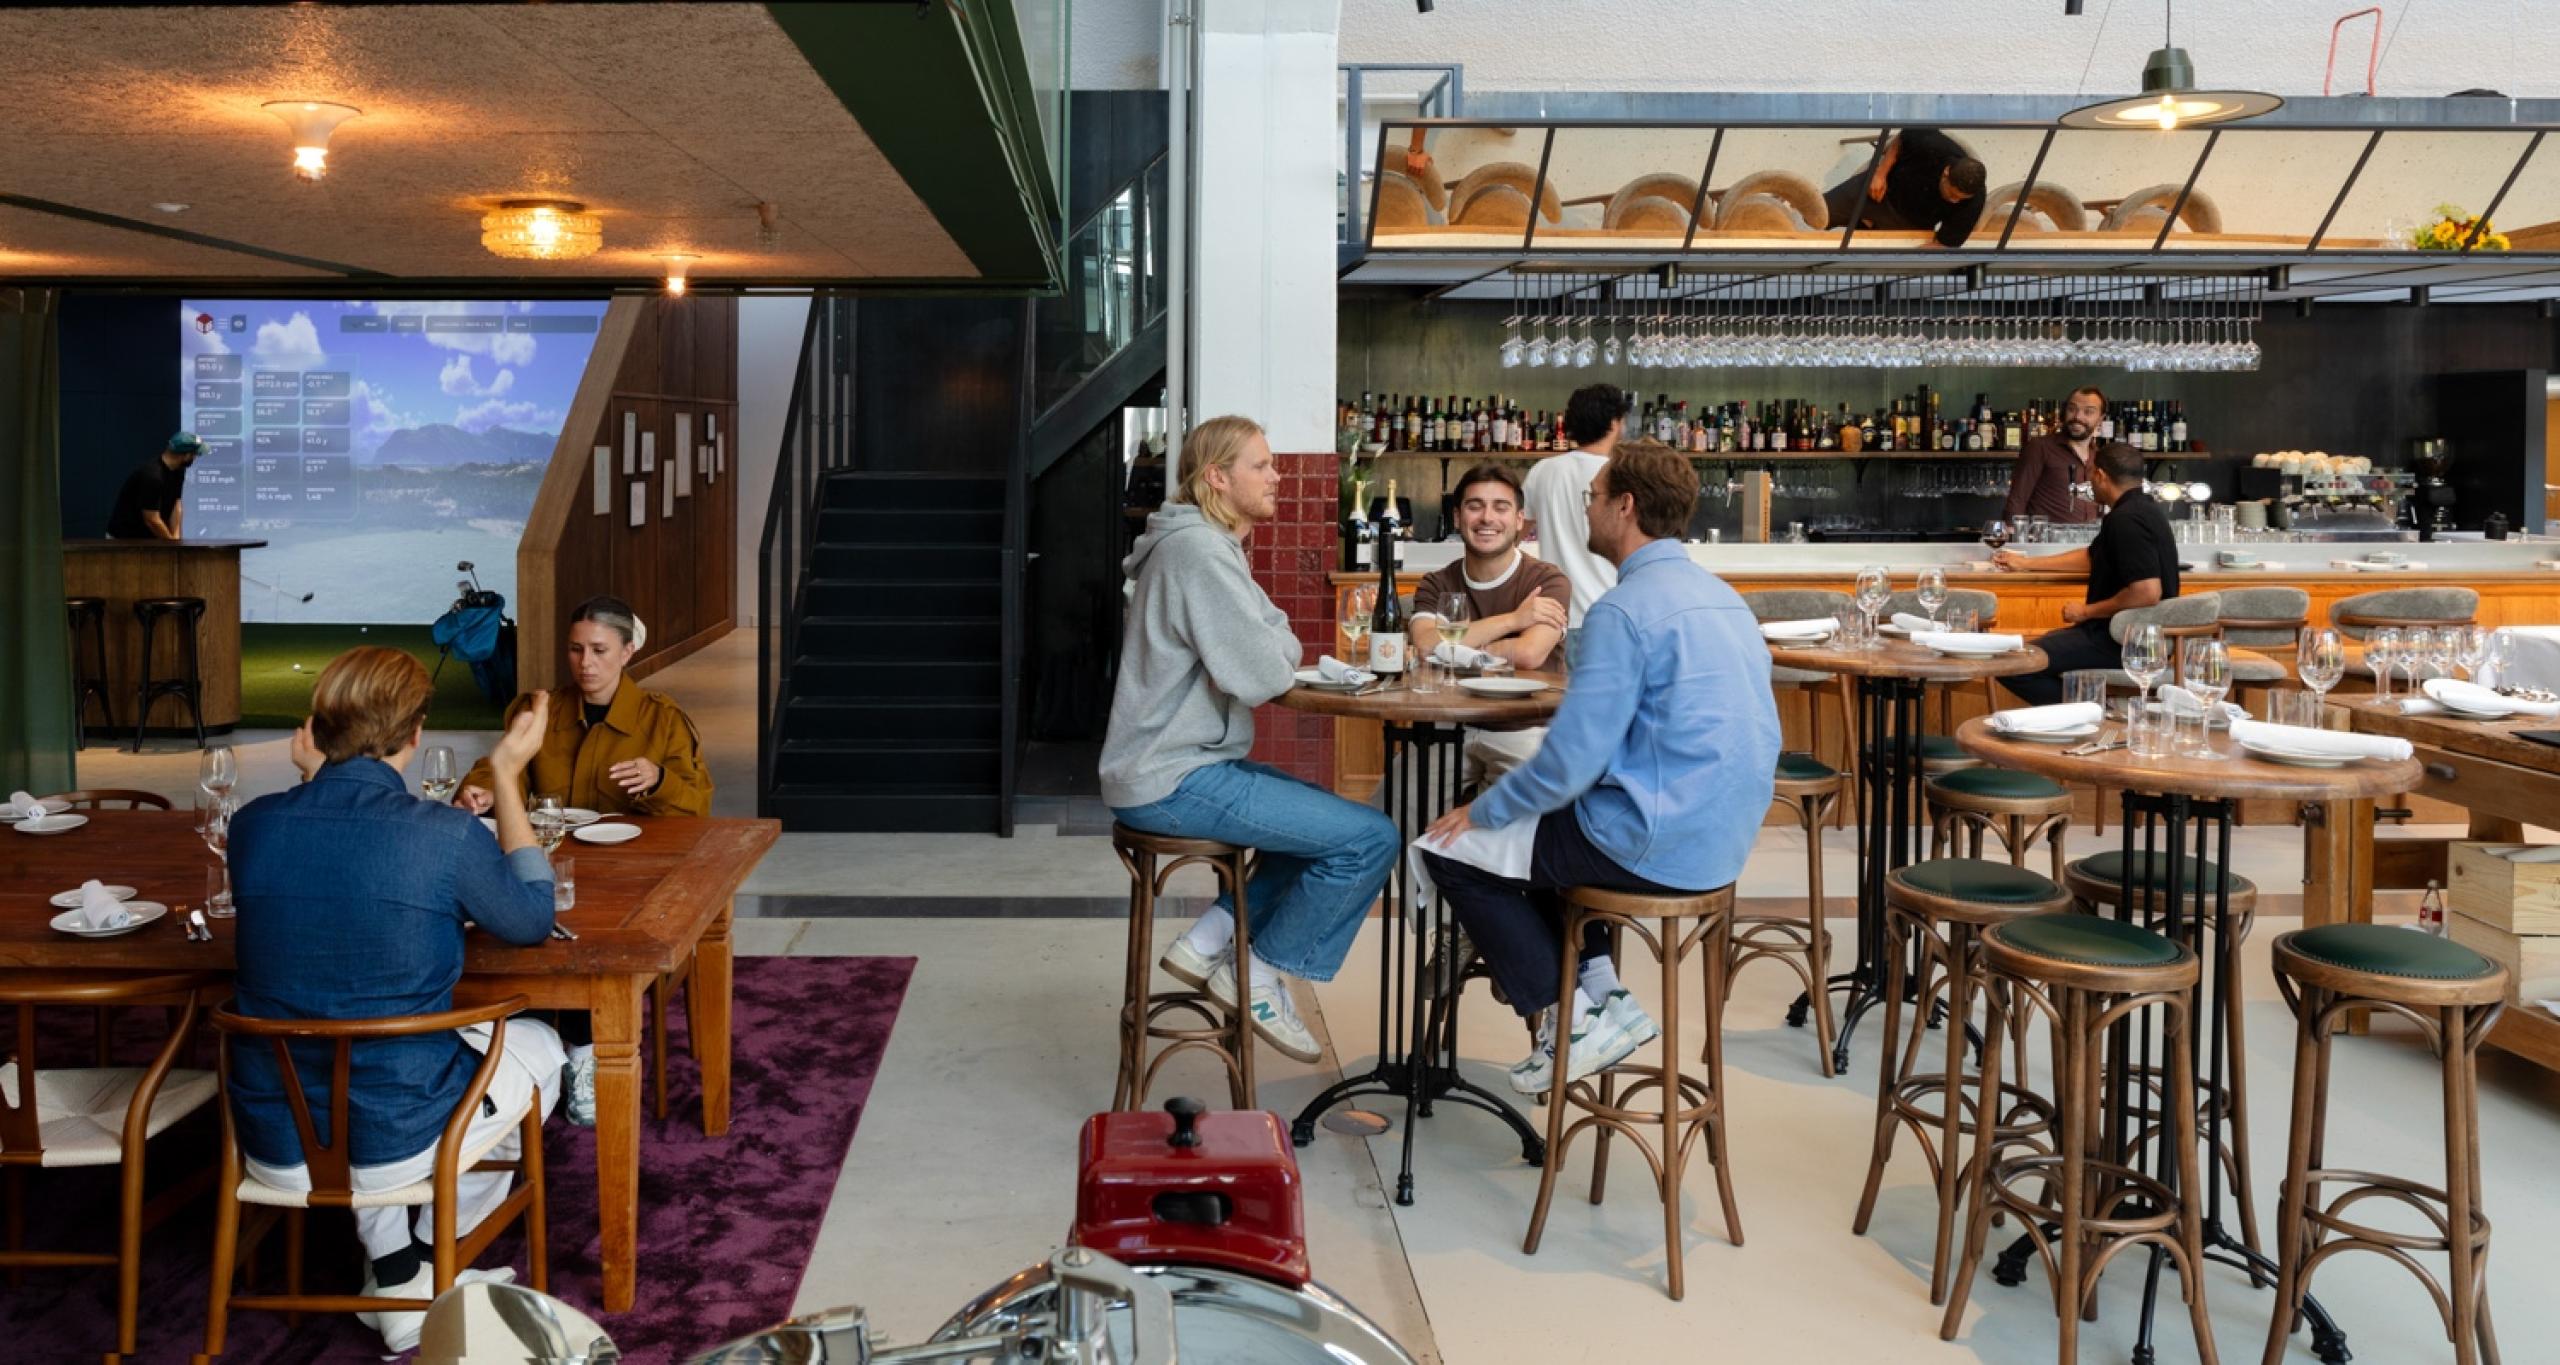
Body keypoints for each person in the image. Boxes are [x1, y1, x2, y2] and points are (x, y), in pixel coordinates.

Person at [226, 646, 561, 1354]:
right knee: (543, 1048)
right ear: (417, 735)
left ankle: (397, 1268)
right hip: (399, 1136)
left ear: (315, 729)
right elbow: (532, 918)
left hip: (272, 1138)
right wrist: (504, 770)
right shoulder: (443, 834)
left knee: (355, 1049)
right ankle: (431, 1272)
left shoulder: (252, 825)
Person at [1418, 443, 1781, 1094]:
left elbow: (1570, 761)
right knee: (1550, 837)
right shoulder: (1723, 597)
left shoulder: (1622, 609)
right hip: (1723, 843)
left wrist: (1483, 810)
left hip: (1650, 842)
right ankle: (1603, 994)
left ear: (1626, 506)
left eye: (1594, 495)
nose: (1585, 507)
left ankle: (1568, 1019)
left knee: (1451, 848)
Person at [1102, 415, 1400, 1064]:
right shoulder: (1201, 553)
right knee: (1371, 836)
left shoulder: (1205, 546)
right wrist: (1275, 638)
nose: (1278, 475)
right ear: (1218, 477)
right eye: (1262, 465)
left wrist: (1273, 636)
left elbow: (1273, 640)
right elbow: (1266, 669)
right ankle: (1259, 970)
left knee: (1324, 823)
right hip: (1172, 776)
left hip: (1176, 765)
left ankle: (1211, 937)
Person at [456, 595, 711, 819]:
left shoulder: (664, 720)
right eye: (576, 649)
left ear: (627, 652)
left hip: (634, 863)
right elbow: (502, 766)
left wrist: (659, 781)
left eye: (599, 650)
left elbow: (697, 809)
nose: (585, 662)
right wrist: (486, 791)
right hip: (551, 855)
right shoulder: (540, 711)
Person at [1414, 461, 1571, 784]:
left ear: (1518, 521)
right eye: (1475, 507)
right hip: (1450, 725)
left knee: (1507, 828)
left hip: (1525, 730)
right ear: (1458, 517)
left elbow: (1529, 654)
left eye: (1500, 507)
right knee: (1393, 816)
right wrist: (1515, 619)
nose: (1487, 518)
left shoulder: (1547, 580)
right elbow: (1426, 646)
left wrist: (1455, 653)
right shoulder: (1436, 582)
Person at [1994, 443, 2179, 707]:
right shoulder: (2142, 509)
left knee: (2010, 663)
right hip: (2130, 638)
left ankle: (2095, 715)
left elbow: (2147, 591)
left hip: (2120, 642)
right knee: (2023, 656)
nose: (2090, 482)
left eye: (2090, 474)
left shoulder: (2127, 519)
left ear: (2100, 475)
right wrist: (2026, 563)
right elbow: (2094, 558)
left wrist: (2086, 611)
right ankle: (2095, 712)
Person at [1520, 383, 1628, 640]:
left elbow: (1511, 536)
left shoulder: (1543, 471)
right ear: (1614, 423)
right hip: (1610, 614)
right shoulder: (1621, 474)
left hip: (1555, 617)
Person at [1821, 128, 1987, 249]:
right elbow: (1901, 138)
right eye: (1952, 193)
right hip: (1880, 190)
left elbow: (1943, 244)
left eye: (1960, 199)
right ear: (1946, 172)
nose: (1954, 200)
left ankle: (1865, 227)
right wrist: (1880, 173)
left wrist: (1911, 259)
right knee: (1819, 214)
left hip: (1909, 224)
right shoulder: (1932, 145)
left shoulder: (1975, 199)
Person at [2002, 386, 2119, 524]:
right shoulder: (2040, 447)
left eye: (2088, 412)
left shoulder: (2098, 456)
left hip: (2087, 542)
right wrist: (2012, 534)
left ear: (2100, 419)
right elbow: (2017, 498)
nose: (2077, 417)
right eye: (2072, 409)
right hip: (2047, 542)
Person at [105, 431, 201, 539]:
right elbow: (152, 520)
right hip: (123, 540)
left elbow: (176, 504)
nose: (195, 457)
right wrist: (172, 545)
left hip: (149, 538)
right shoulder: (153, 477)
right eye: (195, 454)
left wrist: (176, 538)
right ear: (187, 455)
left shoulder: (178, 470)